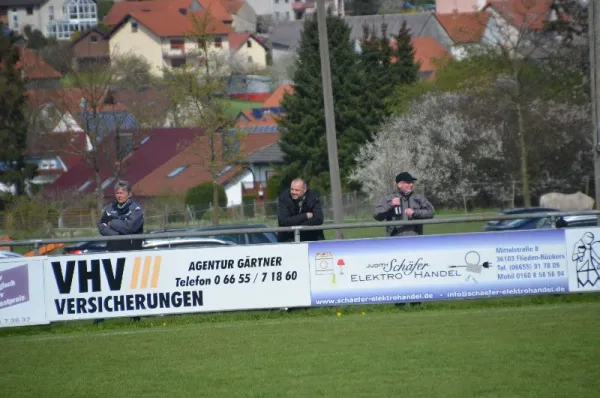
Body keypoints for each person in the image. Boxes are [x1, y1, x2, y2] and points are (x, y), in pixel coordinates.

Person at [95, 180, 144, 323]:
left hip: (131, 252)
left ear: (129, 194)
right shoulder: (109, 208)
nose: (119, 195)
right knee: (108, 284)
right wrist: (116, 234)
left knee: (131, 285)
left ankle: (135, 316)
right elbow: (101, 226)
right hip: (113, 251)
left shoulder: (136, 209)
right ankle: (100, 317)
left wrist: (113, 222)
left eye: (122, 192)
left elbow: (130, 228)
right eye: (117, 192)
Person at [373, 172, 435, 236]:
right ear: (399, 185)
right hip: (394, 241)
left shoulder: (419, 198)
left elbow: (431, 212)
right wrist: (391, 204)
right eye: (408, 182)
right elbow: (377, 215)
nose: (411, 185)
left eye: (411, 182)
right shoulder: (389, 198)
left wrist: (415, 212)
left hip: (416, 240)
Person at [277, 178, 325, 242]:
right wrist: (305, 215)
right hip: (289, 238)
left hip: (312, 237)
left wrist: (297, 227)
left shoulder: (312, 197)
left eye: (297, 190)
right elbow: (284, 221)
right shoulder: (284, 197)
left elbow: (319, 219)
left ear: (304, 190)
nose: (293, 192)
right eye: (292, 189)